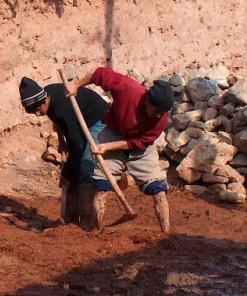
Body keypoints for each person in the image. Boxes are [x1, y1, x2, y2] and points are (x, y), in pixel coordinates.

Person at [65, 67, 174, 232]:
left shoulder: (161, 120)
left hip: (140, 148)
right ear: (148, 101)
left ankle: (166, 234)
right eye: (157, 111)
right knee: (100, 188)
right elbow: (99, 74)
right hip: (113, 133)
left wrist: (107, 147)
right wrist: (76, 85)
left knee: (158, 191)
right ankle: (96, 231)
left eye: (163, 112)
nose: (159, 115)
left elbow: (138, 143)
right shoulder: (128, 89)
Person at [19, 76, 109, 230]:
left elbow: (77, 147)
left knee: (86, 165)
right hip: (78, 120)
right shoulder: (46, 96)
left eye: (38, 110)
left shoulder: (62, 108)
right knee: (74, 169)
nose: (38, 115)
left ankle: (88, 221)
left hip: (98, 119)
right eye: (33, 112)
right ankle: (70, 218)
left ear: (45, 100)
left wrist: (66, 174)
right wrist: (61, 141)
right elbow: (58, 122)